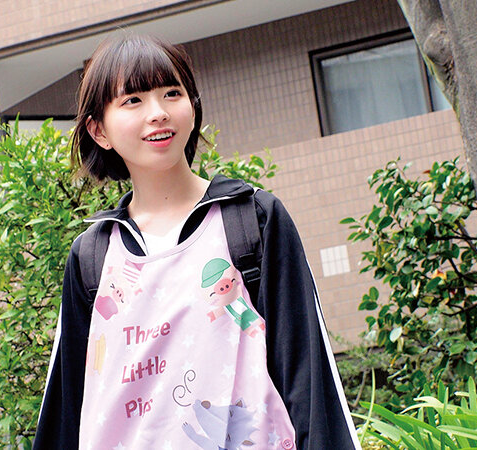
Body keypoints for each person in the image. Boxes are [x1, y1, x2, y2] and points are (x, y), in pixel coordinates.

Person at [33, 33, 358, 450]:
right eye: (133, 100)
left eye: (172, 93)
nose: (158, 113)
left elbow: (309, 376)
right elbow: (66, 407)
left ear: (192, 105)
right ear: (99, 130)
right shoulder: (93, 256)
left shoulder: (252, 220)